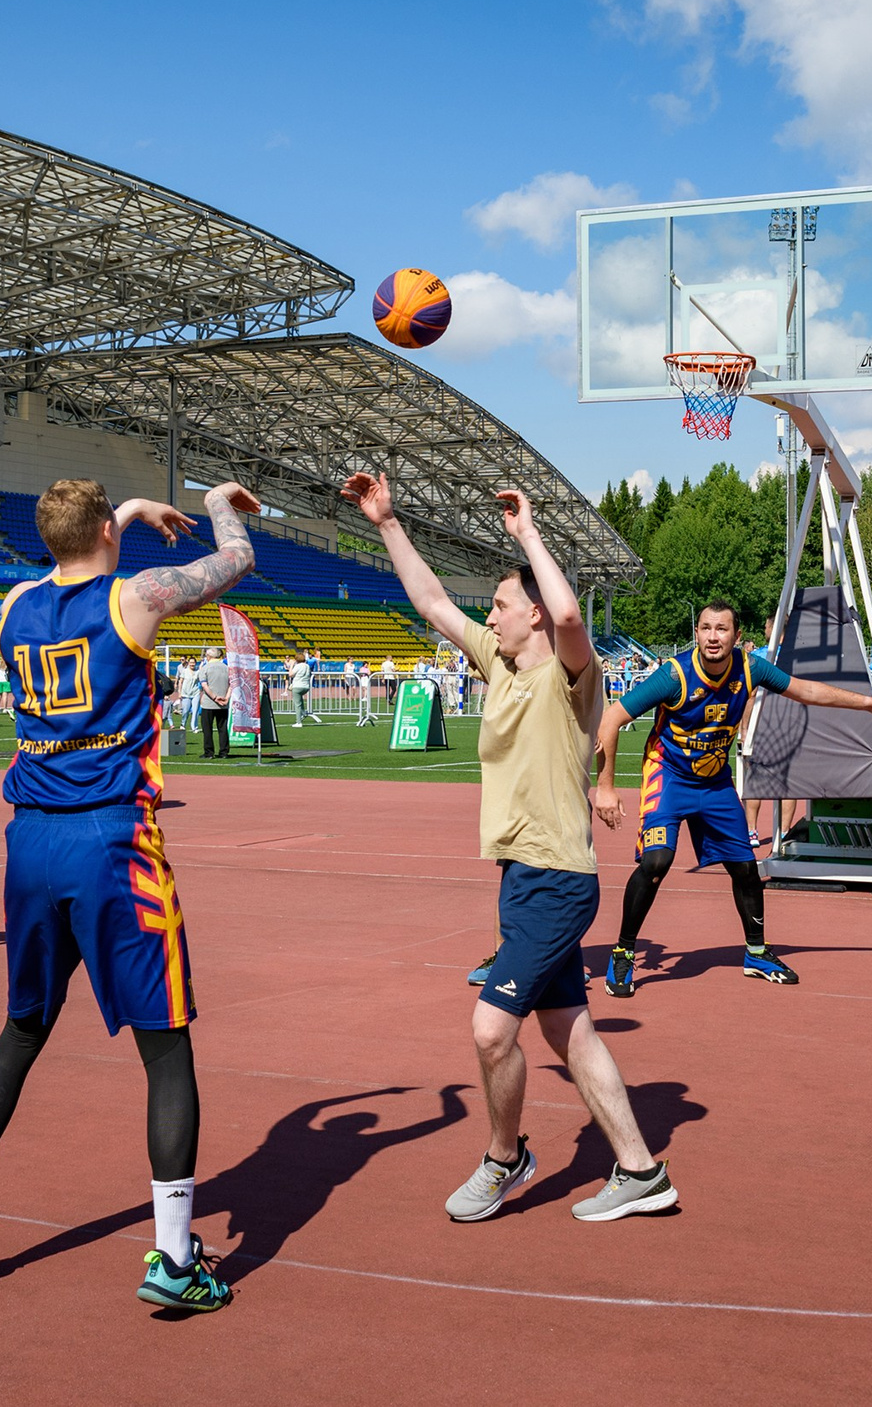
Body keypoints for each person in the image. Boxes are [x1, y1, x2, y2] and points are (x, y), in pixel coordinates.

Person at [0, 477, 260, 1314]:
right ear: (107, 530)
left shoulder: (13, 604)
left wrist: (132, 512)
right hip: (111, 840)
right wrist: (217, 500)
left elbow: (65, 563)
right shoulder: (138, 598)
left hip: (29, 836)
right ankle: (175, 1257)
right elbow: (237, 559)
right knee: (165, 1041)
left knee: (24, 1024)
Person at [342, 471, 676, 1225]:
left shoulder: (571, 678)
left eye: (499, 604)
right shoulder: (498, 662)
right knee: (568, 1029)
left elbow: (565, 609)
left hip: (559, 878)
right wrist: (388, 520)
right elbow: (429, 601)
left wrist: (528, 531)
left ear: (530, 613)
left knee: (492, 1030)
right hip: (522, 876)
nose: (488, 614)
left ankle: (504, 1157)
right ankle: (639, 1168)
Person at [590, 599, 872, 996]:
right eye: (705, 628)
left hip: (715, 781)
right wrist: (605, 787)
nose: (712, 637)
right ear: (696, 634)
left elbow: (805, 690)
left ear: (737, 637)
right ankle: (623, 951)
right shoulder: (674, 675)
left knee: (745, 868)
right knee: (657, 861)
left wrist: (869, 704)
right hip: (668, 775)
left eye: (721, 629)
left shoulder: (750, 667)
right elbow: (611, 719)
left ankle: (756, 952)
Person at [197, 645, 232, 758]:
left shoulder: (205, 669)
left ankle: (209, 752)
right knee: (223, 729)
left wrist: (214, 697)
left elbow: (205, 686)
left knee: (207, 729)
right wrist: (226, 698)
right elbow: (232, 685)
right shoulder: (227, 668)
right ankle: (224, 752)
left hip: (209, 703)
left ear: (208, 656)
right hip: (223, 704)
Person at [287, 654, 316, 725]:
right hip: (306, 686)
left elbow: (290, 674)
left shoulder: (298, 666)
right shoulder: (307, 666)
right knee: (300, 700)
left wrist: (291, 666)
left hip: (297, 686)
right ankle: (303, 713)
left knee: (297, 704)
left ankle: (298, 722)